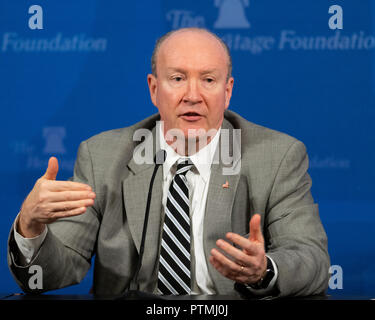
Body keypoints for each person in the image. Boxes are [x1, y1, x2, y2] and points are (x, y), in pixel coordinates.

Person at [7, 28, 330, 297]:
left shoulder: (277, 156)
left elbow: (312, 260)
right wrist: (31, 227)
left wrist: (264, 270)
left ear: (227, 92)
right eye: (177, 78)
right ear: (154, 88)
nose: (192, 95)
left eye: (208, 80)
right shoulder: (102, 156)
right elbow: (53, 273)